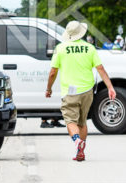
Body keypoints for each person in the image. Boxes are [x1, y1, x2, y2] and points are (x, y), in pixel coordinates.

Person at [45, 20, 117, 162]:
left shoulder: (60, 48)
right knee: (82, 122)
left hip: (70, 92)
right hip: (87, 91)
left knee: (70, 121)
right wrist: (110, 87)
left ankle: (77, 141)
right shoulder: (89, 48)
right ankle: (80, 152)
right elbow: (100, 68)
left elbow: (53, 72)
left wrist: (49, 89)